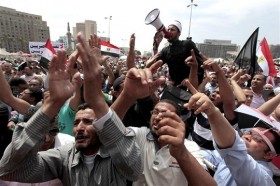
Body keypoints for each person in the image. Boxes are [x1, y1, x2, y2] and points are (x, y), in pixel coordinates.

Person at [0, 33, 142, 185]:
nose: (80, 127)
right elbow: (9, 170)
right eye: (76, 123)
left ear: (102, 129)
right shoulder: (63, 157)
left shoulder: (117, 154)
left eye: (88, 121)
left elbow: (133, 169)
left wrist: (98, 102)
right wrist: (53, 103)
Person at [111, 61, 216, 186]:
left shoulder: (190, 147)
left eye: (165, 113)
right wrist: (127, 96)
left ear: (179, 121)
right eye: (155, 112)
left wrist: (181, 153)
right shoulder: (139, 135)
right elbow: (108, 130)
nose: (159, 116)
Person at [185, 81, 279, 186]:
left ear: (269, 154)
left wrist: (212, 112)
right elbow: (205, 155)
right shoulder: (227, 156)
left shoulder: (262, 179)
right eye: (249, 133)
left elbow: (237, 153)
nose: (247, 137)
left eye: (256, 138)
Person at [149, 20, 204, 86]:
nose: (169, 32)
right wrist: (156, 45)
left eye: (172, 30)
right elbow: (155, 64)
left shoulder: (187, 44)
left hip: (189, 87)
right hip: (174, 88)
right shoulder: (165, 50)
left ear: (179, 33)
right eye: (168, 29)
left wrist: (193, 82)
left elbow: (200, 64)